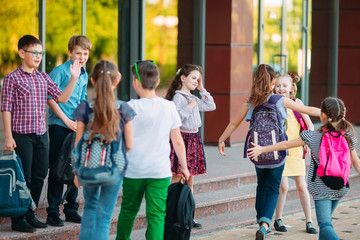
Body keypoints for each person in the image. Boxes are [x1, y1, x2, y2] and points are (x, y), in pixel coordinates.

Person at [217, 64, 320, 240]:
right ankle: (265, 224)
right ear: (273, 82)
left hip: (257, 151)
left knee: (261, 185)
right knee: (273, 188)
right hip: (276, 152)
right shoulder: (278, 100)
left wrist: (221, 139)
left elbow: (234, 123)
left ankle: (260, 220)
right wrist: (332, 114)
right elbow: (308, 110)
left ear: (255, 81)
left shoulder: (250, 101)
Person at [248, 97, 360, 240]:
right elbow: (356, 163)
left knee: (325, 225)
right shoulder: (348, 137)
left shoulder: (312, 136)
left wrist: (263, 149)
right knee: (326, 224)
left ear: (323, 115)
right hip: (341, 187)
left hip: (321, 188)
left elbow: (285, 145)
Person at [1, 35, 80, 233]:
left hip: (41, 135)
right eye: (34, 52)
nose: (38, 56)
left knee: (39, 176)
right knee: (24, 177)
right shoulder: (12, 78)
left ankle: (30, 214)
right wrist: (8, 137)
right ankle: (19, 218)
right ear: (22, 53)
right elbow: (6, 108)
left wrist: (74, 78)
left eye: (40, 53)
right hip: (22, 136)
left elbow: (61, 98)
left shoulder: (43, 77)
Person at [115, 60, 190, 240]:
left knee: (128, 211)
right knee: (156, 215)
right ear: (157, 82)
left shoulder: (128, 107)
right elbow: (178, 141)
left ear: (136, 82)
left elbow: (120, 139)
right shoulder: (169, 106)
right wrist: (184, 167)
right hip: (159, 170)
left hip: (134, 170)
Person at [72, 60, 135, 240]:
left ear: (92, 81)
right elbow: (129, 144)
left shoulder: (85, 108)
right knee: (105, 214)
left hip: (89, 167)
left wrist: (76, 172)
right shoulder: (123, 108)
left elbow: (77, 145)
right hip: (114, 168)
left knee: (90, 208)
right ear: (116, 82)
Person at [46, 35, 92, 227]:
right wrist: (66, 120)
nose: (82, 57)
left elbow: (82, 99)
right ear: (70, 52)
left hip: (76, 127)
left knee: (75, 167)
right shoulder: (60, 71)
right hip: (59, 125)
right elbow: (49, 98)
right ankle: (53, 212)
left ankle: (71, 209)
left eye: (85, 54)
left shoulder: (84, 74)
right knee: (58, 168)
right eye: (78, 53)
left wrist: (81, 122)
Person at [165, 64, 216, 228]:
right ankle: (170, 213)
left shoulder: (193, 97)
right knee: (177, 177)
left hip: (194, 138)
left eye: (198, 79)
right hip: (182, 138)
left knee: (191, 180)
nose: (196, 81)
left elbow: (211, 105)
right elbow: (177, 118)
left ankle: (188, 215)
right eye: (194, 78)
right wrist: (191, 106)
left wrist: (202, 89)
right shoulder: (178, 98)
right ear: (183, 78)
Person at [272, 73, 317, 234]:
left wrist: (307, 142)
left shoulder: (297, 103)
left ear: (292, 88)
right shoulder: (273, 103)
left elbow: (310, 126)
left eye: (285, 85)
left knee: (302, 187)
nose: (281, 88)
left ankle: (309, 221)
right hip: (279, 152)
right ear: (273, 87)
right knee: (283, 187)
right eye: (278, 85)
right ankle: (278, 219)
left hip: (296, 151)